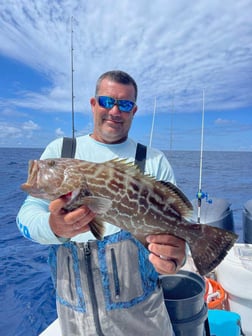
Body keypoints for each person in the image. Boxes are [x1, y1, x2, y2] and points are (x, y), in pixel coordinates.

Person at [17, 70, 186, 336]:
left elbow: (174, 229)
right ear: (94, 104)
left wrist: (177, 256)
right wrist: (55, 227)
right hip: (75, 318)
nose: (115, 111)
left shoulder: (153, 161)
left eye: (125, 105)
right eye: (107, 101)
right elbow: (27, 216)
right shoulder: (62, 150)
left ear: (134, 111)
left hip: (143, 317)